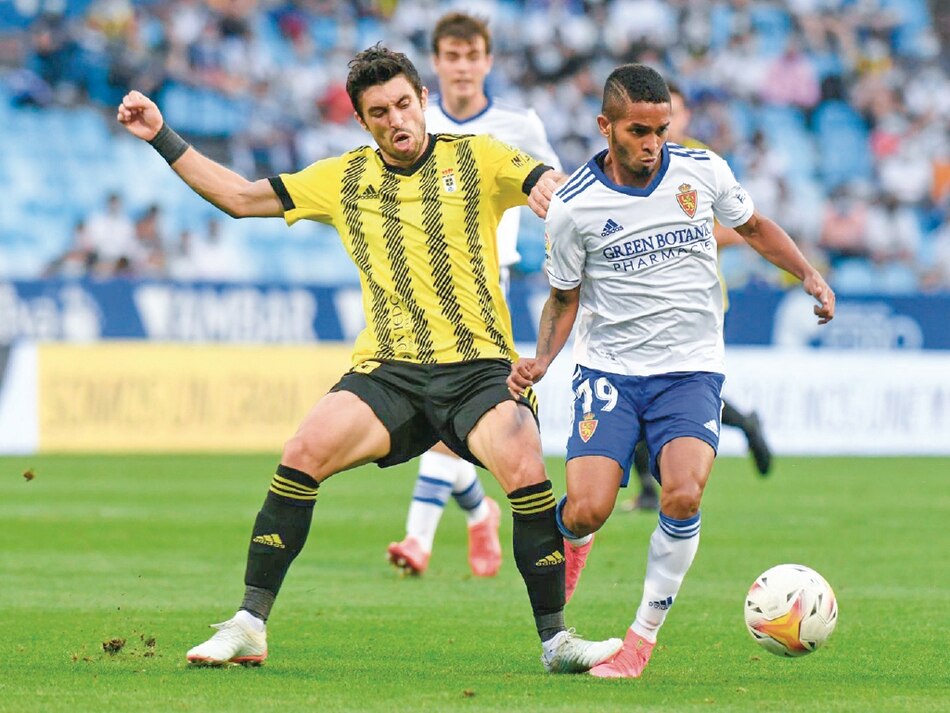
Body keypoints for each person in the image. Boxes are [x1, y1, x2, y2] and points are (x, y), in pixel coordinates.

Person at [117, 44, 622, 673]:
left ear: (424, 101)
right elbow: (243, 199)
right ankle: (248, 624)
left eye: (404, 104)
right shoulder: (342, 178)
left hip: (479, 369)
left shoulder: (479, 157)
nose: (395, 119)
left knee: (522, 461)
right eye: (379, 112)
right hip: (388, 371)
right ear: (363, 120)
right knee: (302, 452)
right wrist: (161, 134)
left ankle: (556, 641)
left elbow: (540, 178)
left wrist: (550, 186)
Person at [507, 64, 835, 678]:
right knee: (586, 510)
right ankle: (574, 542)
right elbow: (564, 295)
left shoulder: (701, 171)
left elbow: (755, 226)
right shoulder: (573, 206)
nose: (652, 143)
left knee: (683, 492)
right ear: (606, 126)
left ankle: (640, 641)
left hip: (690, 370)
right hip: (609, 371)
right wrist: (542, 361)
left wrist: (808, 274)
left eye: (660, 129)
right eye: (638, 130)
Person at [386, 12, 563, 578]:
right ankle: (479, 511)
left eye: (472, 57)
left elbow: (557, 196)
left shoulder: (519, 124)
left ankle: (417, 538)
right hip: (413, 289)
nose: (463, 68)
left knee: (445, 403)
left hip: (488, 284)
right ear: (435, 65)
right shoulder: (414, 118)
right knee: (438, 416)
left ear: (488, 61)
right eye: (452, 57)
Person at [621, 82, 772, 513]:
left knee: (676, 388)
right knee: (638, 383)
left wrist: (684, 236)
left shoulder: (702, 163)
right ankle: (652, 488)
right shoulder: (631, 161)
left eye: (679, 113)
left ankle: (738, 424)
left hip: (697, 300)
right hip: (638, 296)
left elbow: (742, 228)